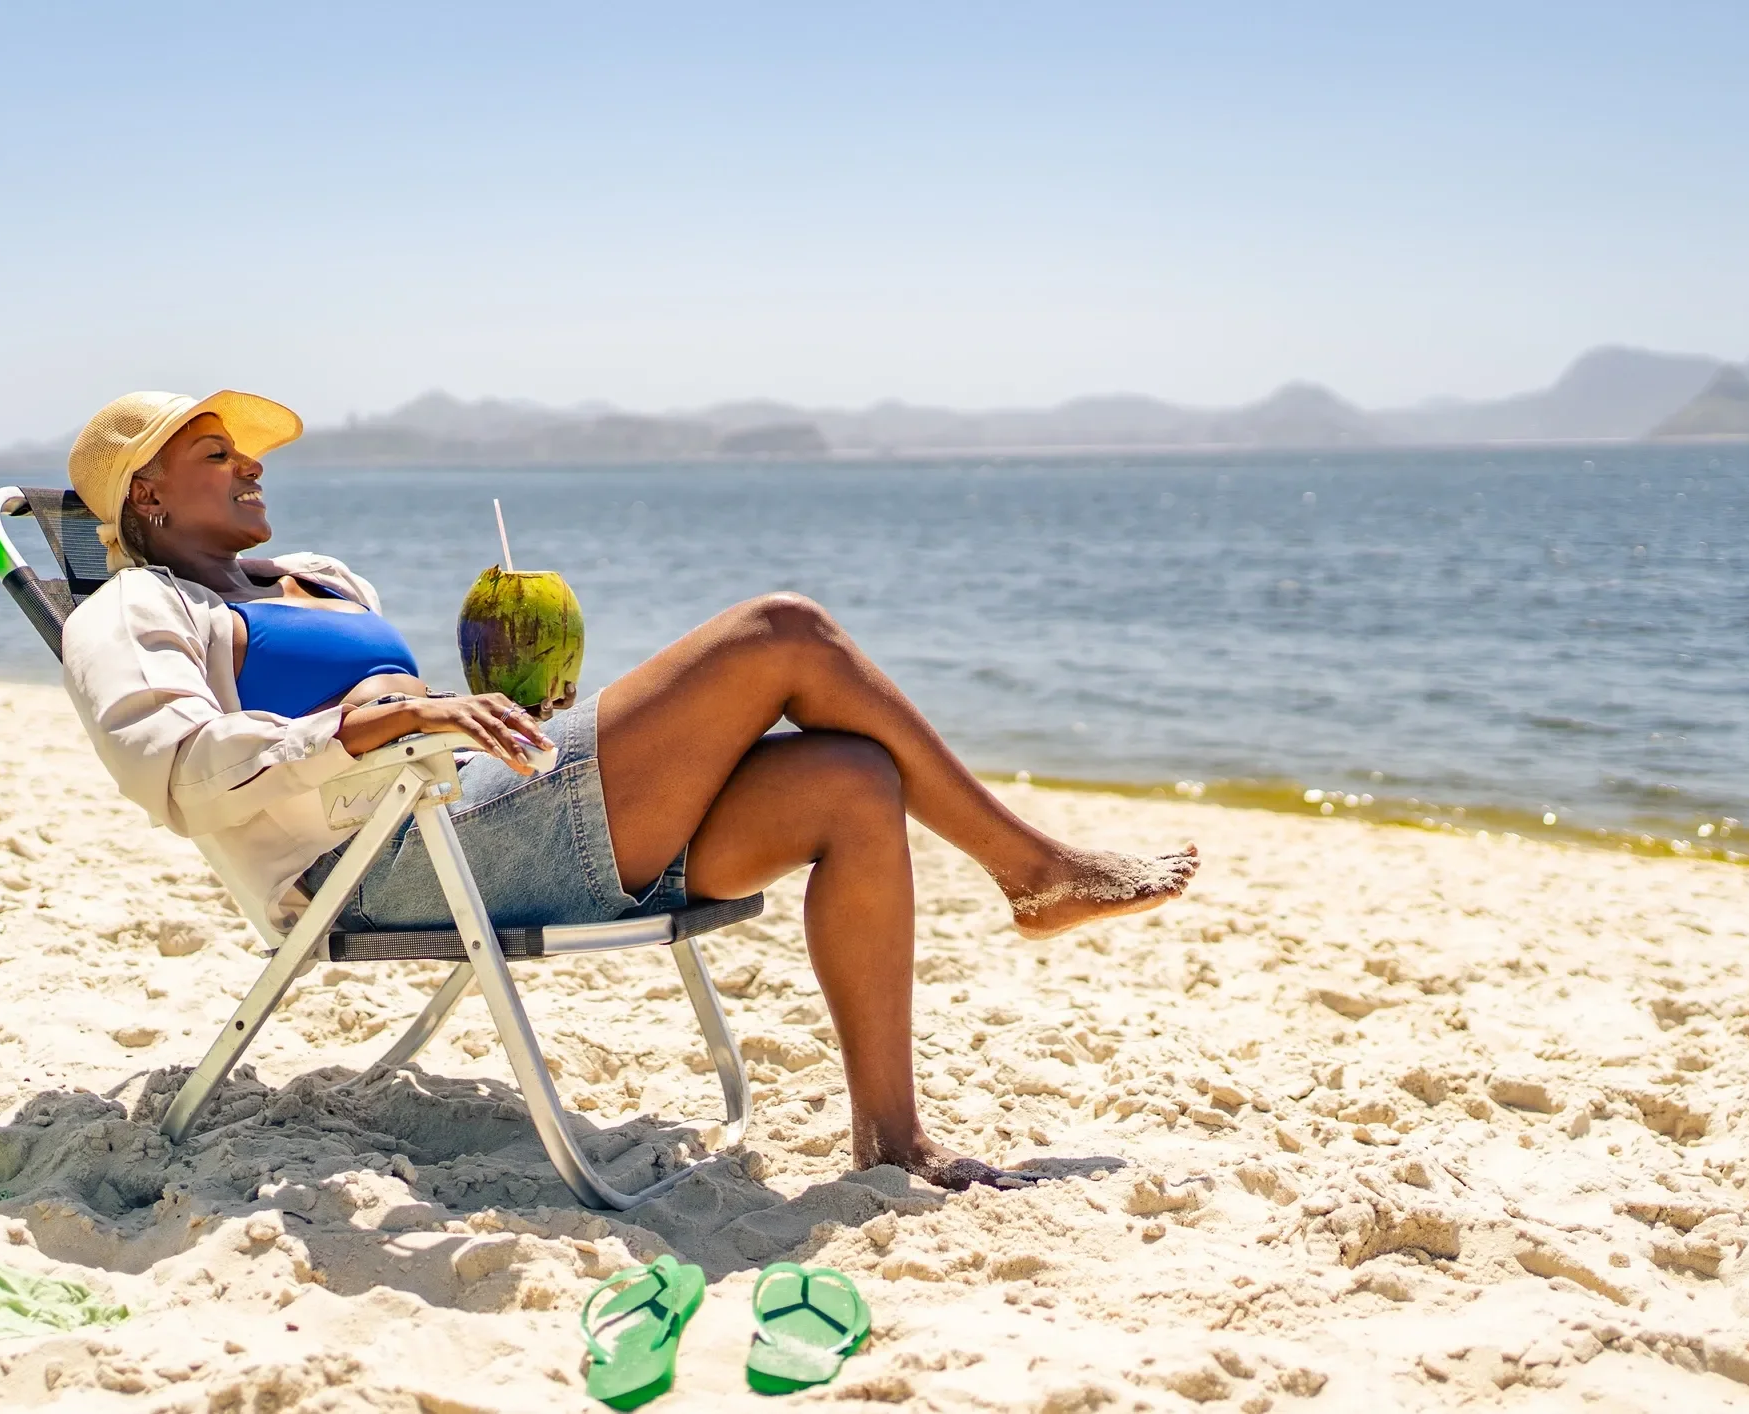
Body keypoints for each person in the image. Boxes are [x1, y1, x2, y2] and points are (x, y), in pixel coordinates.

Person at [62, 390, 1200, 1191]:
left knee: (851, 778)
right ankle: (1033, 868)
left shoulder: (310, 576)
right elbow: (177, 771)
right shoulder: (132, 612)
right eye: (216, 454)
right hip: (382, 868)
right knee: (782, 630)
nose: (252, 465)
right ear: (148, 496)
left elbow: (415, 715)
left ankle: (892, 1140)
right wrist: (380, 720)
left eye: (247, 451)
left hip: (475, 811)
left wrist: (490, 694)